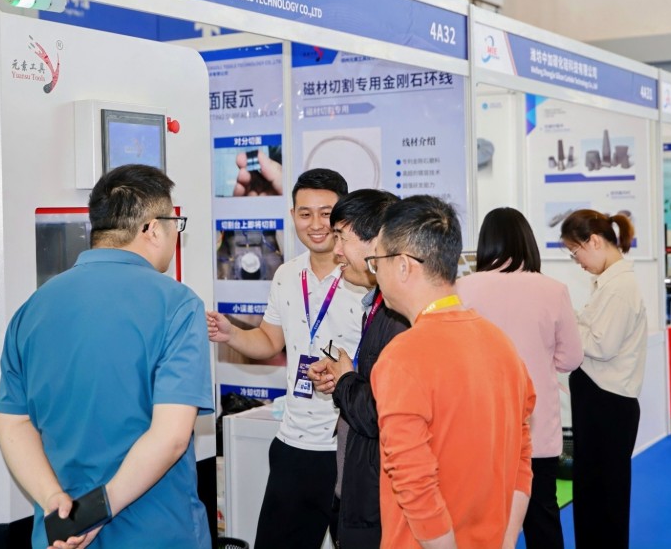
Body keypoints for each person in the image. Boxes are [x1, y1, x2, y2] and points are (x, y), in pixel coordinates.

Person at [0, 164, 212, 548]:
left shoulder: (33, 309)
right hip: (154, 532)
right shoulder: (177, 305)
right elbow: (171, 436)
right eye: (174, 223)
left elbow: (13, 423)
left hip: (61, 533)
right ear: (152, 228)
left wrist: (55, 501)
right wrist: (98, 510)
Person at [206, 168, 366, 549]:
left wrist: (347, 376)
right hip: (293, 445)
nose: (316, 224)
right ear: (292, 215)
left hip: (347, 449)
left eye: (326, 213)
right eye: (305, 213)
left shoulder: (365, 279)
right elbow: (269, 340)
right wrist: (231, 335)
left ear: (344, 215)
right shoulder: (286, 274)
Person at [370, 195, 536, 549]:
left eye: (377, 261)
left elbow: (415, 484)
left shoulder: (402, 358)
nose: (376, 274)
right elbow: (522, 459)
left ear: (403, 265)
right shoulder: (502, 345)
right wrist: (507, 539)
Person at [456, 207, 583, 549]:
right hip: (536, 426)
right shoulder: (553, 290)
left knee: (482, 524)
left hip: (479, 427)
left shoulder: (463, 288)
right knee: (542, 515)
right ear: (528, 241)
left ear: (485, 242)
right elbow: (571, 358)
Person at [305, 189, 410, 548]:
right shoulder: (378, 305)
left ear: (377, 241)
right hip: (360, 487)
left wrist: (346, 379)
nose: (335, 251)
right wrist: (344, 375)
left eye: (341, 238)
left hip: (378, 499)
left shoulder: (399, 316)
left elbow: (380, 412)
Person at [559, 209, 647, 549]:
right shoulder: (610, 284)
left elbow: (601, 346)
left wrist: (566, 323)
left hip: (607, 404)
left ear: (594, 242)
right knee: (593, 493)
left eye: (575, 251)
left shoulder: (619, 288)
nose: (577, 262)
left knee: (604, 499)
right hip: (600, 402)